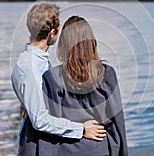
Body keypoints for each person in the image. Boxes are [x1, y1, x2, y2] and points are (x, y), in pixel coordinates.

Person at [11, 3, 106, 155]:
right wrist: (81, 129)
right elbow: (39, 120)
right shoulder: (31, 66)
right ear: (52, 33)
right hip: (36, 145)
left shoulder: (39, 60)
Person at [39, 16, 128, 155]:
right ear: (91, 42)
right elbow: (117, 121)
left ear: (63, 44)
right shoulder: (106, 73)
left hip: (66, 150)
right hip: (99, 149)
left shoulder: (52, 77)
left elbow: (51, 124)